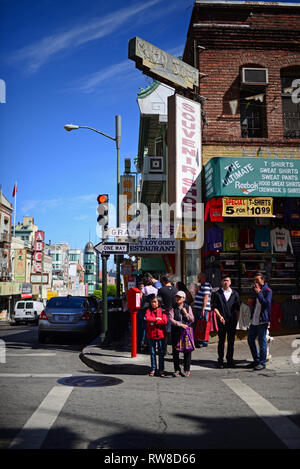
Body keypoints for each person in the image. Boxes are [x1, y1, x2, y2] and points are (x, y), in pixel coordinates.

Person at [212, 275, 240, 368]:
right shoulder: (217, 294)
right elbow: (214, 307)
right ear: (221, 282)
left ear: (230, 282)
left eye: (227, 280)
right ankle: (220, 360)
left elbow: (237, 308)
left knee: (231, 341)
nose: (226, 282)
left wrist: (237, 320)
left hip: (232, 321)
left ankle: (230, 359)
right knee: (221, 341)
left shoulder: (235, 294)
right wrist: (219, 316)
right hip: (222, 320)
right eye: (224, 280)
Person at [247, 272, 272, 370]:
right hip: (254, 319)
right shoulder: (255, 290)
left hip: (262, 320)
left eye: (257, 279)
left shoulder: (268, 291)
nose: (255, 282)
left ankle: (262, 362)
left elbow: (266, 304)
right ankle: (256, 360)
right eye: (254, 280)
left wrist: (259, 293)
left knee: (262, 341)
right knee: (250, 340)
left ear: (263, 280)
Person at [168, 291, 194, 377]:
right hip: (176, 331)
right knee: (175, 351)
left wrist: (185, 313)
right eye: (177, 297)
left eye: (179, 297)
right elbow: (170, 319)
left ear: (184, 299)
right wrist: (180, 324)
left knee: (187, 351)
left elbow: (192, 319)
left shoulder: (188, 307)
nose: (177, 299)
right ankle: (177, 369)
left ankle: (187, 369)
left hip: (185, 332)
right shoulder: (173, 307)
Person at [144, 296, 168, 377]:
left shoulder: (162, 311)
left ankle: (161, 369)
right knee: (152, 352)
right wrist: (157, 319)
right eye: (152, 302)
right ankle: (153, 368)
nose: (153, 303)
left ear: (159, 303)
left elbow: (164, 321)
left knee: (161, 353)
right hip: (151, 334)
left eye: (155, 302)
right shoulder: (148, 310)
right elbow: (148, 318)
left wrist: (154, 321)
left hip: (161, 334)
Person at [158, 275, 178, 355]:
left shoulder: (161, 290)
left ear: (163, 281)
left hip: (165, 312)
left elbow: (159, 302)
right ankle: (175, 350)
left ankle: (164, 350)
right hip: (174, 313)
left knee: (165, 333)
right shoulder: (176, 290)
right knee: (174, 333)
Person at [193, 273, 212, 347]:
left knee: (203, 325)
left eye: (199, 277)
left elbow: (206, 297)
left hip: (202, 309)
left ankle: (203, 341)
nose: (198, 278)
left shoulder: (206, 285)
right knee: (199, 325)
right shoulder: (201, 285)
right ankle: (199, 340)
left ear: (203, 278)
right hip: (198, 308)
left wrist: (203, 309)